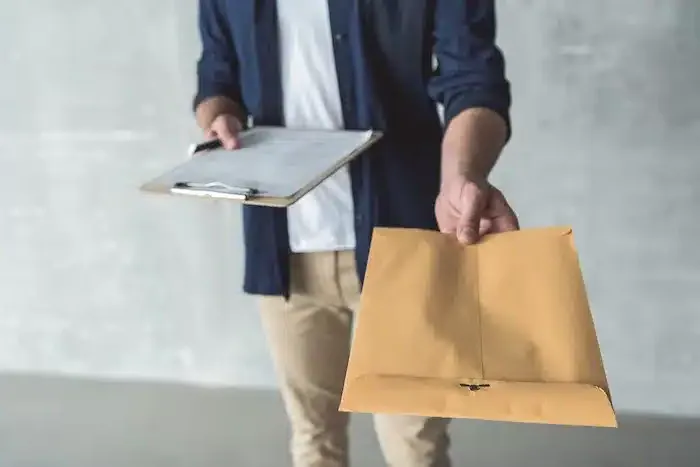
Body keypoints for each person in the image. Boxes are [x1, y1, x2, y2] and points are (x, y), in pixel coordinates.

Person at [193, 0, 519, 465]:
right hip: (285, 249)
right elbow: (217, 75)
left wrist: (461, 175)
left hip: (400, 241)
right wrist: (217, 116)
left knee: (415, 445)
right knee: (312, 436)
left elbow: (474, 80)